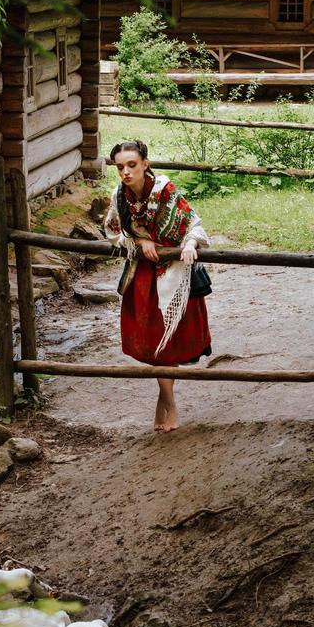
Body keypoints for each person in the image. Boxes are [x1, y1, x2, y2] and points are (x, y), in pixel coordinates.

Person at [105, 140, 212, 433]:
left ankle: (166, 406)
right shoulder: (120, 196)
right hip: (142, 277)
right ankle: (168, 404)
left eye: (132, 165)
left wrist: (189, 243)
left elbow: (193, 224)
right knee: (155, 344)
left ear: (145, 164)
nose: (126, 172)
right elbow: (113, 231)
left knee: (168, 345)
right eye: (120, 167)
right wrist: (139, 241)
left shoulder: (165, 192)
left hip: (173, 276)